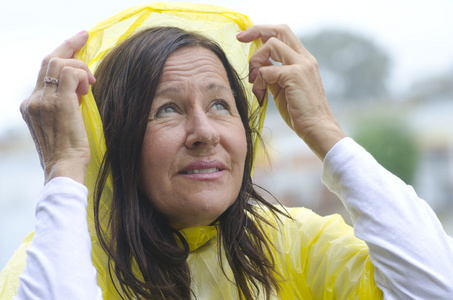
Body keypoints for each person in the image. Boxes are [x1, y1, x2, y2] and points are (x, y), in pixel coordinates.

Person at [1, 3, 452, 300]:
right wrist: (63, 168)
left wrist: (325, 132)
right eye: (167, 110)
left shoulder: (292, 244)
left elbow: (436, 287)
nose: (204, 133)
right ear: (114, 142)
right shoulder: (58, 262)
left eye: (221, 104)